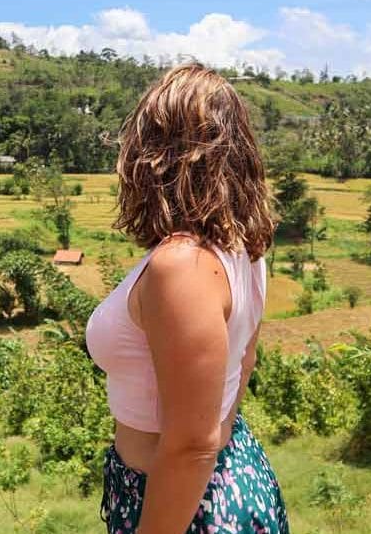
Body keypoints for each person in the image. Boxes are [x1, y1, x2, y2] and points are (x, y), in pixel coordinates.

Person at [86, 63, 290, 533]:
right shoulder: (242, 248)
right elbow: (243, 365)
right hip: (225, 476)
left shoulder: (182, 266)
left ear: (153, 154)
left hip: (185, 505)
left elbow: (192, 444)